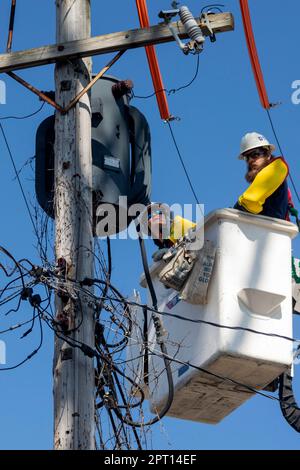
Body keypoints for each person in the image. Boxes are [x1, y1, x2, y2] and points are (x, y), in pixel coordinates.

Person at [234, 132, 291, 220]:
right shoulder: (260, 182)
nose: (250, 161)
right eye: (247, 157)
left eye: (255, 154)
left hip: (272, 231)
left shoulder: (278, 166)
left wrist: (235, 211)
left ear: (268, 154)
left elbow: (250, 201)